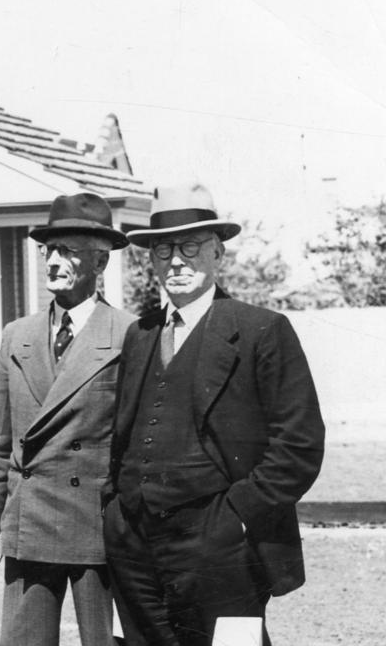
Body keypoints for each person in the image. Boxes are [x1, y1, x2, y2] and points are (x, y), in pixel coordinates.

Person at [104, 183, 325, 646]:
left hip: (221, 544)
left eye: (190, 247)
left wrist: (237, 517)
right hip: (137, 543)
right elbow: (122, 436)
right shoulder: (140, 334)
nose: (176, 261)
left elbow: (299, 444)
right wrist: (116, 514)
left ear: (218, 253)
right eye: (163, 250)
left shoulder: (260, 330)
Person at [0, 193, 134, 646]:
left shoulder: (130, 335)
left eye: (69, 251)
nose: (54, 262)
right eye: (48, 250)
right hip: (29, 521)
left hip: (96, 528)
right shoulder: (16, 335)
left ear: (100, 262)